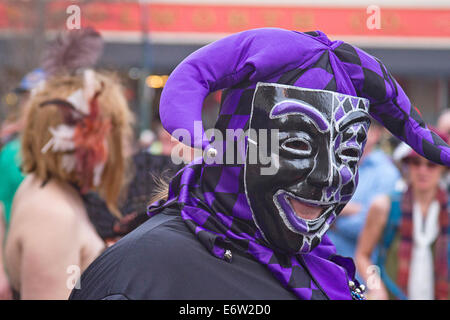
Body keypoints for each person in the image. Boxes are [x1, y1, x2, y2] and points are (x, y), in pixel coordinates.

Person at [70, 28, 450, 300]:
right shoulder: (145, 271)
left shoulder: (322, 265)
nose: (327, 177)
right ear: (235, 145)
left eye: (347, 152)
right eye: (297, 144)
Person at [4, 28, 134, 299]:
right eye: (116, 132)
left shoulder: (50, 190)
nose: (125, 146)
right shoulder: (52, 213)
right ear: (87, 141)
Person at [355, 132, 449, 300]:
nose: (423, 170)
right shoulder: (384, 206)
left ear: (443, 168)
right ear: (407, 165)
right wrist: (376, 287)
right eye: (415, 162)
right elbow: (363, 256)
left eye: (431, 164)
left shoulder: (447, 211)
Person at [328, 121, 400, 262]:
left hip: (358, 270)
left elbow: (366, 227)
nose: (353, 133)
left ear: (376, 133)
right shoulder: (332, 163)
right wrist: (350, 210)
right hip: (323, 262)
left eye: (362, 128)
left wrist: (330, 216)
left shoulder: (387, 172)